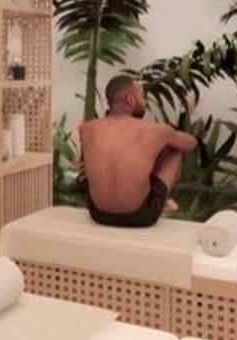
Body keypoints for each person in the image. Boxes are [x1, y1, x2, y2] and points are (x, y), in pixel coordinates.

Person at [78, 75, 197, 227]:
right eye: (142, 96)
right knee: (174, 149)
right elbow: (190, 143)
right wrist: (169, 138)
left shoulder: (87, 129)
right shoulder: (155, 130)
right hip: (140, 217)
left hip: (98, 214)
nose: (144, 101)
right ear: (130, 100)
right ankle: (163, 200)